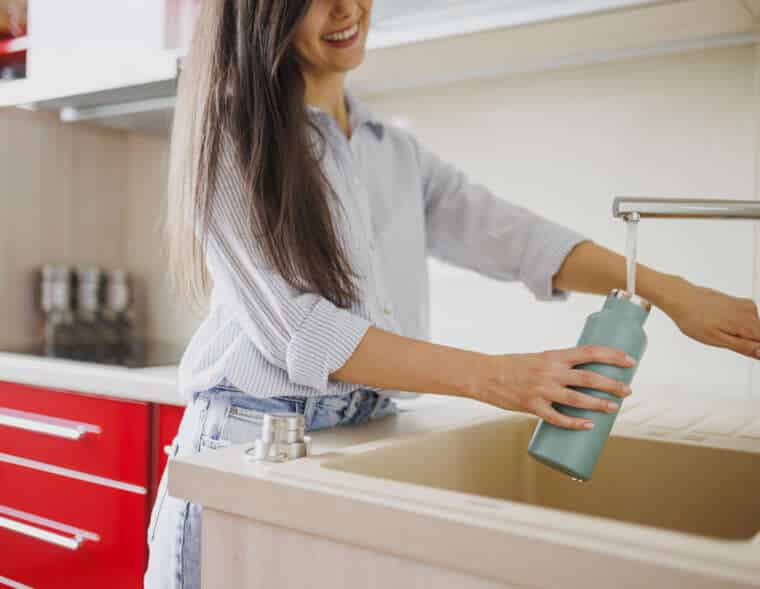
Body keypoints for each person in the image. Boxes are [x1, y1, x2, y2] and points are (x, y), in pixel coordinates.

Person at [144, 1, 760, 587]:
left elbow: (516, 239)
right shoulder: (231, 133)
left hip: (363, 430)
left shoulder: (392, 150)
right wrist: (500, 379)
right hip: (251, 438)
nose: (348, 10)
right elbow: (302, 330)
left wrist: (676, 294)